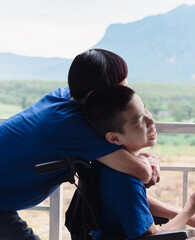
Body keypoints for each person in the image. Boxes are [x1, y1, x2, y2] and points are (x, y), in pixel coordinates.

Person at [0, 49, 159, 239]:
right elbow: (142, 172)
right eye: (120, 88)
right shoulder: (73, 125)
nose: (125, 94)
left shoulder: (64, 97)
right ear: (95, 94)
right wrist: (148, 161)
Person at [84, 85, 195, 239]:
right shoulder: (125, 182)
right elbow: (153, 237)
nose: (151, 120)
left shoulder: (110, 166)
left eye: (145, 110)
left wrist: (190, 217)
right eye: (138, 121)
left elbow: (136, 203)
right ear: (114, 138)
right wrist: (190, 208)